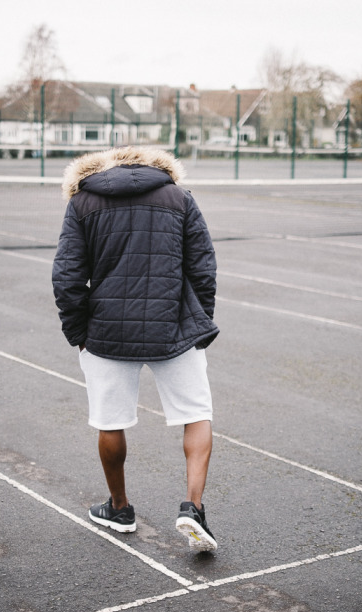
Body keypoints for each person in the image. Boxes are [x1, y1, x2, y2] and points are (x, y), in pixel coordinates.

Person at [52, 146, 219, 552]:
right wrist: (198, 319)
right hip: (175, 326)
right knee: (196, 415)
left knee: (111, 421)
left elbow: (67, 276)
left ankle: (120, 508)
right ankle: (193, 508)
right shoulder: (179, 197)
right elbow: (203, 266)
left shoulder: (83, 201)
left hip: (106, 330)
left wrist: (79, 332)